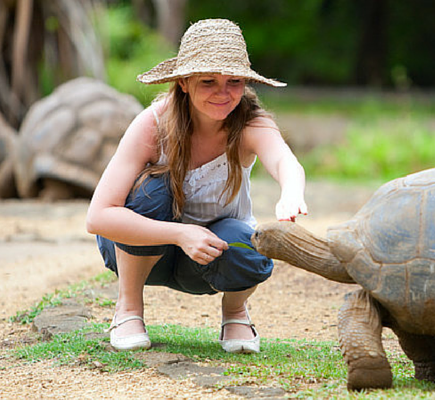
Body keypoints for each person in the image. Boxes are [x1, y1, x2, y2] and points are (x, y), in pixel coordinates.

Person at [85, 19, 307, 354]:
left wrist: (291, 193)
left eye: (234, 81)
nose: (224, 92)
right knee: (152, 190)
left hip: (208, 258)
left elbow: (283, 160)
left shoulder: (250, 123)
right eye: (208, 81)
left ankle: (235, 312)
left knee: (248, 243)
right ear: (185, 83)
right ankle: (128, 310)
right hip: (141, 252)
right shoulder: (153, 123)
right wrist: (180, 234)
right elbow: (98, 217)